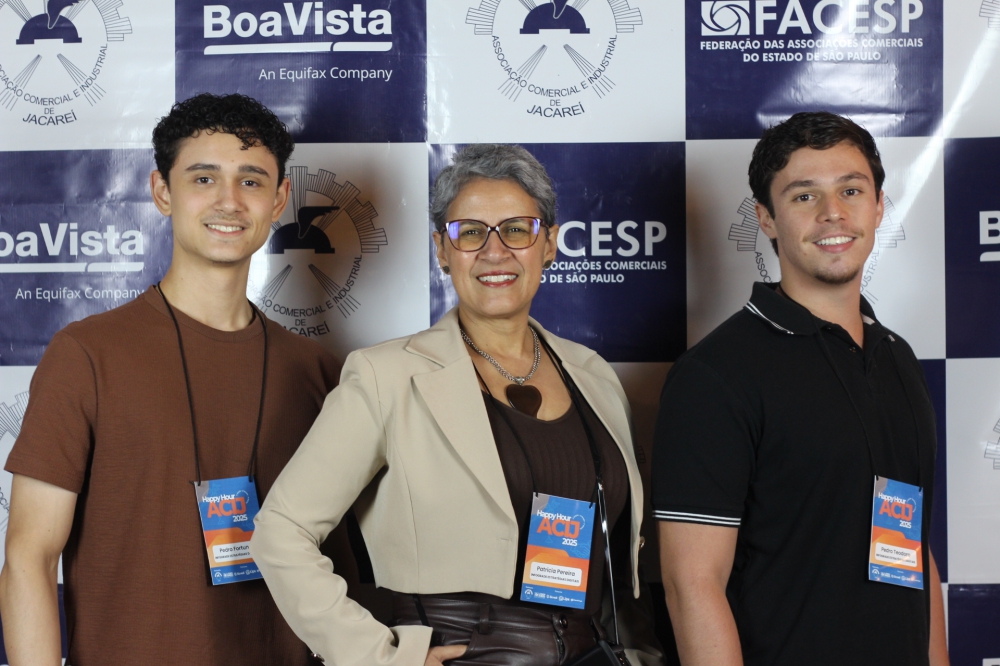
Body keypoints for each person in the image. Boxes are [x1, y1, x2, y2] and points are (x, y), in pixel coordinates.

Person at [250, 144, 663, 666]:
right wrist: (378, 656)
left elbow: (620, 560)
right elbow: (280, 531)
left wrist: (641, 653)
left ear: (549, 244)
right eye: (470, 232)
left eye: (517, 229)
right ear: (442, 251)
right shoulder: (386, 377)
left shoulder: (594, 376)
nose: (495, 251)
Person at [0, 93, 351, 665]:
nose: (229, 201)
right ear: (162, 191)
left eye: (251, 181)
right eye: (204, 178)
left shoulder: (317, 371)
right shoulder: (87, 355)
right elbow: (29, 559)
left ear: (280, 200)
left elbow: (348, 566)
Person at [651, 111, 948, 666]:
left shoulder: (897, 358)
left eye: (851, 190)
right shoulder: (715, 374)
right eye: (804, 196)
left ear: (878, 206)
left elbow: (912, 546)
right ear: (766, 218)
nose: (833, 212)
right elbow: (692, 583)